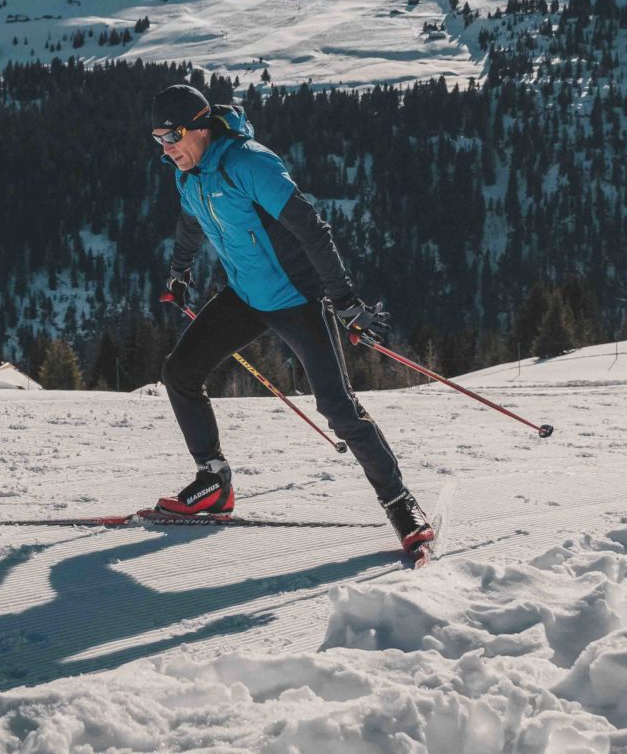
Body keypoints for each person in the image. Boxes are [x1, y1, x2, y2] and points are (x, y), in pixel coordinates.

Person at [147, 83, 436, 566]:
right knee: (179, 374)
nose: (166, 147)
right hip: (244, 296)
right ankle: (214, 482)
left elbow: (310, 226)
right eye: (157, 138)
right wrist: (179, 271)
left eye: (172, 135)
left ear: (200, 126)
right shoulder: (188, 174)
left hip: (297, 299)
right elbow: (192, 221)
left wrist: (343, 300)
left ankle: (400, 503)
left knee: (338, 408)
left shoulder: (249, 163)